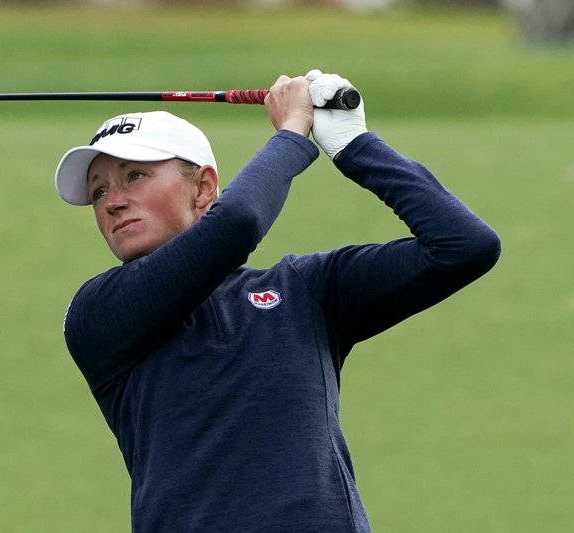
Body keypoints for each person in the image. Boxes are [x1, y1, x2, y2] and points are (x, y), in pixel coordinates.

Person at [53, 70, 500, 532]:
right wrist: (292, 132)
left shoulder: (302, 289)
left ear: (204, 188)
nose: (112, 202)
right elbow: (239, 222)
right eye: (99, 190)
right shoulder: (97, 312)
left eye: (135, 176)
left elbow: (464, 246)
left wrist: (353, 145)